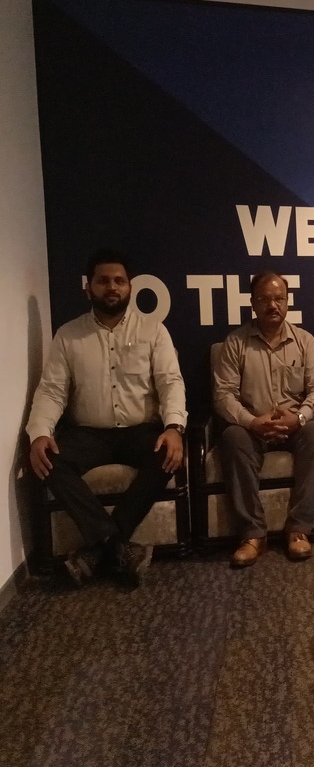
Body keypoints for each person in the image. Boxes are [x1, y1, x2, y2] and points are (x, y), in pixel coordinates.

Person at [26, 249, 187, 586]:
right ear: (89, 287)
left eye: (119, 281)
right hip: (89, 434)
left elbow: (170, 382)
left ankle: (97, 550)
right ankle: (116, 544)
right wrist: (40, 432)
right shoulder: (68, 335)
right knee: (47, 460)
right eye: (103, 281)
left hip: (140, 431)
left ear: (130, 287)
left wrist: (174, 427)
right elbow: (52, 391)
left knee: (167, 454)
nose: (112, 287)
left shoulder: (153, 331)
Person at [213, 271, 314, 567]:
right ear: (253, 303)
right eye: (265, 299)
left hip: (295, 425)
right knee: (232, 437)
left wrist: (300, 417)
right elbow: (223, 395)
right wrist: (251, 421)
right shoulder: (236, 342)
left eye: (279, 298)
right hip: (253, 426)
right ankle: (252, 535)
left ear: (287, 302)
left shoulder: (304, 341)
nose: (273, 305)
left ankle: (299, 530)